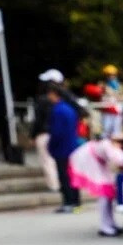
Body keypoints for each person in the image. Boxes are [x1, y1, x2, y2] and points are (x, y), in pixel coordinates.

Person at [67, 130, 123, 236]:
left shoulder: (110, 146)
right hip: (90, 162)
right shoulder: (107, 145)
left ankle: (110, 223)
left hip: (99, 164)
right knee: (104, 194)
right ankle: (105, 226)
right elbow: (119, 159)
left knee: (108, 194)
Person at [47, 85, 81, 213]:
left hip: (62, 148)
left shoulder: (58, 110)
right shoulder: (69, 109)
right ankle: (76, 201)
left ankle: (69, 202)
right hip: (72, 145)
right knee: (71, 175)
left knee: (64, 176)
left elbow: (56, 132)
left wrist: (51, 146)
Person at [98, 64, 123, 138]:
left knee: (116, 131)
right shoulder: (102, 85)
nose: (111, 76)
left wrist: (118, 97)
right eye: (109, 75)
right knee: (106, 130)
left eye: (113, 74)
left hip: (117, 110)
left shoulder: (121, 86)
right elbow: (99, 96)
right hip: (107, 111)